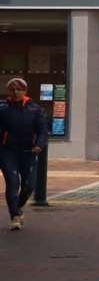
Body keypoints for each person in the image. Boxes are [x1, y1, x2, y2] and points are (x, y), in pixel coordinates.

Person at [0, 78, 47, 231]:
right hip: (8, 152)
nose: (15, 92)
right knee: (13, 183)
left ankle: (17, 208)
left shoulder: (35, 109)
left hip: (28, 152)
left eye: (19, 89)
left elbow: (42, 131)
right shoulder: (3, 108)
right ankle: (14, 216)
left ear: (25, 91)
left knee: (29, 185)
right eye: (12, 89)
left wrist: (39, 145)